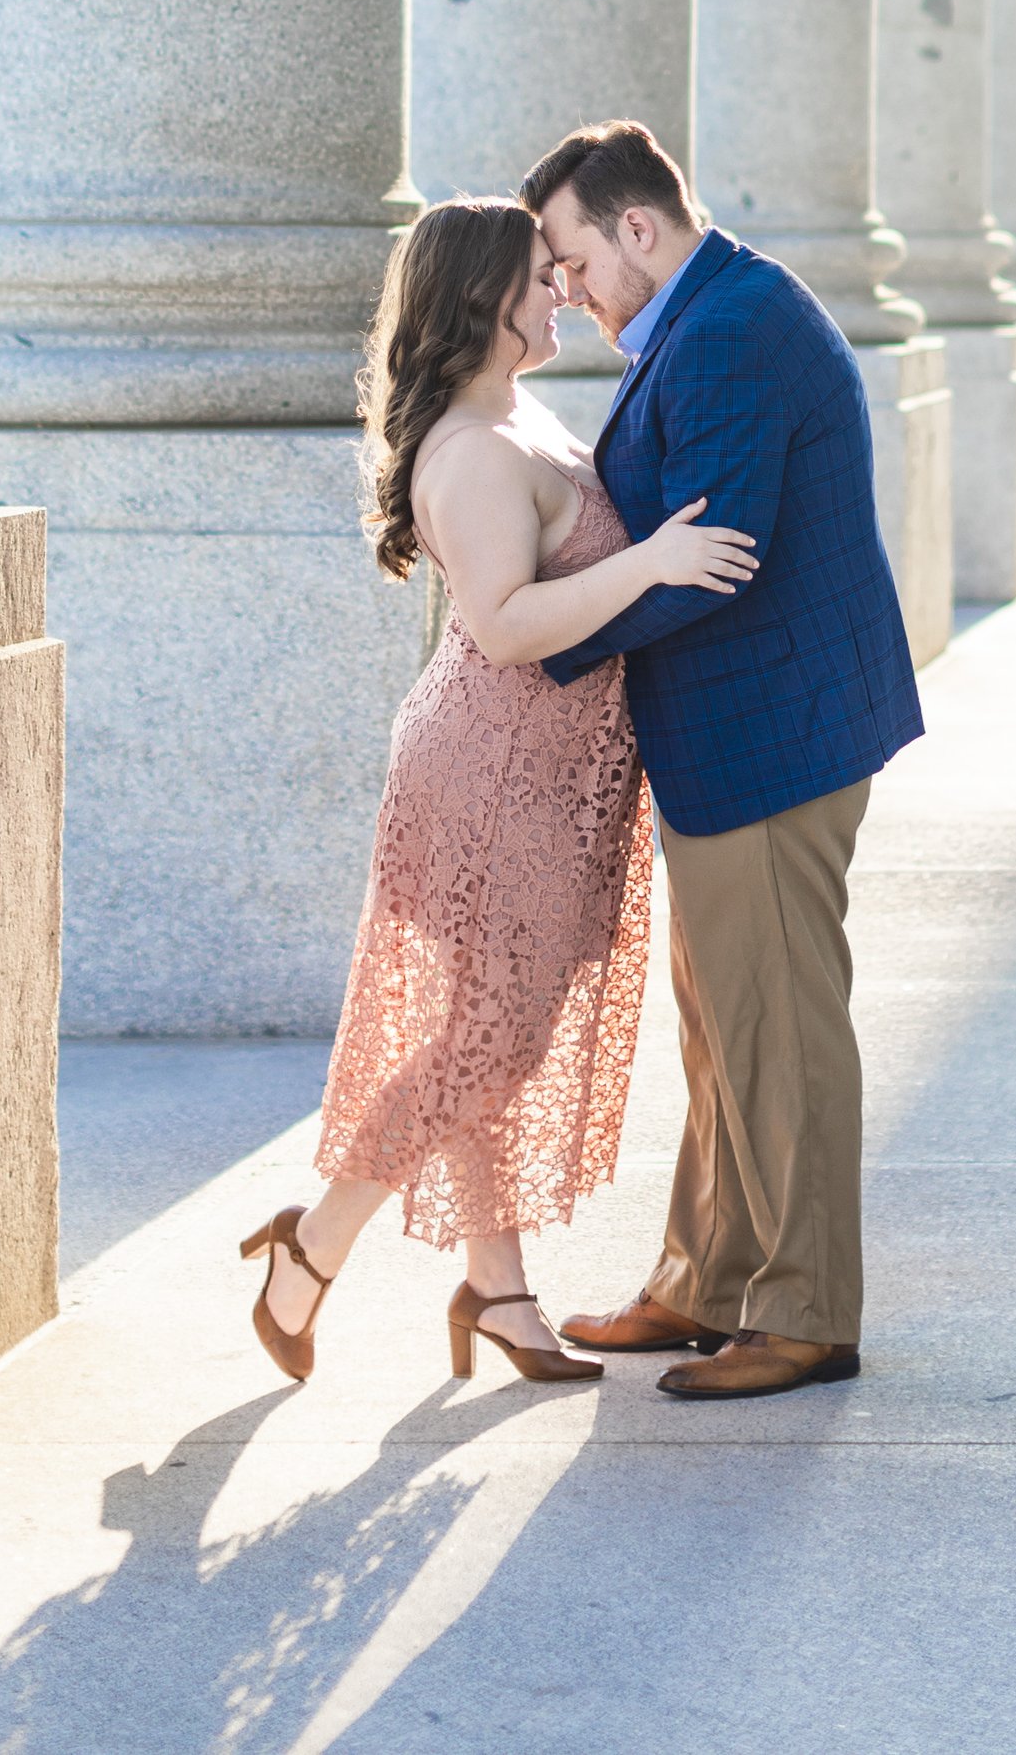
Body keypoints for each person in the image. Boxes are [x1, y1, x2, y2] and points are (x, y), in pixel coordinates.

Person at [240, 195, 759, 1387]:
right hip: (492, 771)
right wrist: (655, 560)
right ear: (480, 300)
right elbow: (508, 626)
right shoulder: (471, 454)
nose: (561, 290)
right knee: (492, 1035)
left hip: (552, 773)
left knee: (490, 1026)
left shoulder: (516, 415)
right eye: (538, 276)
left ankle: (499, 1291)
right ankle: (310, 1250)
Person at [522, 119, 924, 1400]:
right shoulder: (705, 315)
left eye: (574, 261)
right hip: (740, 734)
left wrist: (529, 650)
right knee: (724, 1025)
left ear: (638, 227)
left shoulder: (735, 326)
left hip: (771, 736)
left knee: (779, 1028)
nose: (567, 291)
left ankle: (804, 1314)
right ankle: (705, 1280)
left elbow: (717, 551)